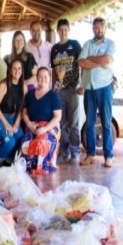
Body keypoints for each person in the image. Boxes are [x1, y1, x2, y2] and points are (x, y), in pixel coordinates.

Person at [78, 17, 115, 168]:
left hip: (105, 87)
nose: (98, 30)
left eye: (101, 27)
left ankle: (108, 156)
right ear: (93, 29)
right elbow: (81, 62)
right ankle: (91, 155)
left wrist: (91, 60)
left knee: (106, 123)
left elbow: (108, 60)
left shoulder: (110, 44)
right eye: (96, 27)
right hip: (89, 88)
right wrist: (99, 61)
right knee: (89, 124)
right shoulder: (87, 44)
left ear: (105, 29)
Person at [51, 18, 82, 165]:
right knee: (62, 123)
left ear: (68, 31)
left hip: (73, 90)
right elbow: (53, 71)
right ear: (57, 32)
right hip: (59, 91)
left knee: (73, 123)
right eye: (61, 30)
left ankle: (75, 151)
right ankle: (65, 152)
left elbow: (81, 65)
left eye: (65, 30)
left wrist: (80, 84)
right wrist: (53, 89)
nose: (63, 32)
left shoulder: (75, 45)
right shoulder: (55, 48)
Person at [20, 67, 62, 174]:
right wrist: (29, 124)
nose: (43, 79)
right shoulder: (29, 94)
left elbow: (58, 116)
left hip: (50, 127)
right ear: (37, 78)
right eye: (40, 77)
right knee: (25, 143)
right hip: (33, 126)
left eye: (46, 77)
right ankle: (30, 165)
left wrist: (45, 129)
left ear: (49, 78)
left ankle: (42, 166)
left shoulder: (53, 96)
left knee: (41, 142)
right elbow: (24, 113)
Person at [0, 58, 25, 167]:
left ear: (22, 71)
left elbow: (21, 108)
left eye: (19, 68)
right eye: (14, 68)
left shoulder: (23, 86)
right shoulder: (4, 85)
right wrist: (7, 125)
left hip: (13, 118)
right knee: (10, 141)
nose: (17, 71)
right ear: (9, 70)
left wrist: (16, 124)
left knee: (20, 136)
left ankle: (8, 159)